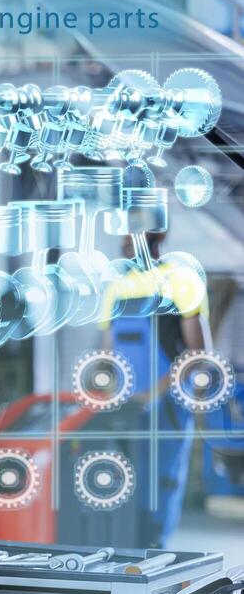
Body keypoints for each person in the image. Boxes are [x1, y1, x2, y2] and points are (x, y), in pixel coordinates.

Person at [105, 231, 208, 546]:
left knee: (160, 484)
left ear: (153, 238)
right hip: (126, 408)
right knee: (124, 485)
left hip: (167, 407)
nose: (124, 242)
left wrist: (154, 394)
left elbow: (196, 354)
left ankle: (156, 552)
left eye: (130, 236)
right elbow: (108, 352)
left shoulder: (181, 282)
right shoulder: (115, 288)